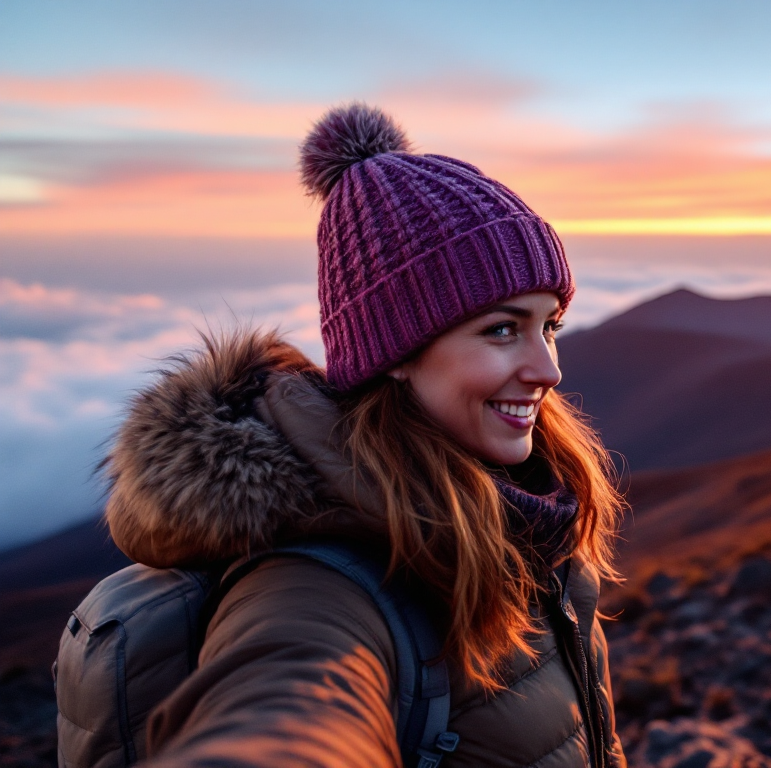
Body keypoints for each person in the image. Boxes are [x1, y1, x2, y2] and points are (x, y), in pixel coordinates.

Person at [102, 102, 626, 768]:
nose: (548, 369)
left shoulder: (529, 515)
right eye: (501, 329)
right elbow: (288, 703)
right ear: (397, 352)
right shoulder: (316, 578)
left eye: (548, 325)